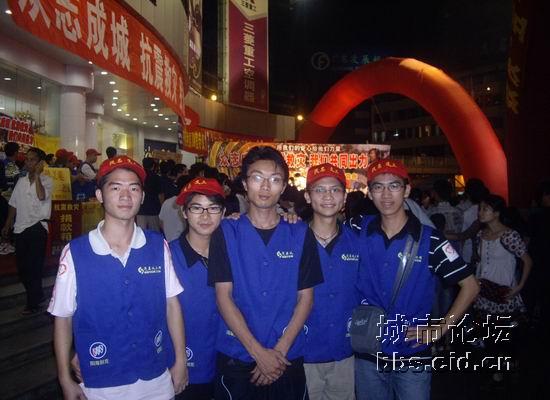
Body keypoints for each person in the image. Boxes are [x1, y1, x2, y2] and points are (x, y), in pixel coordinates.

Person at [48, 155, 188, 400]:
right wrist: (64, 378)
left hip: (156, 378)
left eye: (134, 188)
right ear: (100, 195)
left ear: (142, 197)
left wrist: (181, 361)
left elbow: (172, 305)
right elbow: (63, 317)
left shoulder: (157, 246)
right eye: (115, 188)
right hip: (101, 382)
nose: (126, 196)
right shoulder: (76, 253)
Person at [353, 159, 479, 400]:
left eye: (394, 185)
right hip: (368, 352)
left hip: (411, 354)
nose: (386, 194)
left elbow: (470, 286)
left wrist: (439, 329)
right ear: (369, 192)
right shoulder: (358, 228)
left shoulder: (430, 240)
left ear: (407, 190)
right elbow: (322, 229)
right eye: (378, 186)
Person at [208, 146, 323, 399]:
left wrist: (277, 354)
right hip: (238, 357)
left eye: (274, 179)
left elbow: (306, 298)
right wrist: (259, 354)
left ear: (283, 187)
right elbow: (223, 296)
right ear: (245, 184)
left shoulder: (300, 233)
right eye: (257, 177)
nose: (265, 186)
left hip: (286, 358)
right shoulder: (226, 232)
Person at [302, 164, 360, 400]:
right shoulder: (292, 239)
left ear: (344, 197)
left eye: (335, 190)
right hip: (302, 352)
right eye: (319, 190)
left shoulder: (358, 241)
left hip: (344, 352)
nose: (328, 196)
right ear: (307, 196)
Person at [168, 178, 226, 400]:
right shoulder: (168, 256)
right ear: (184, 212)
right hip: (182, 366)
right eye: (196, 208)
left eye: (213, 208)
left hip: (227, 364)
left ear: (223, 213)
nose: (205, 216)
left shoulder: (233, 253)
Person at [2, 147, 52, 315]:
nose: (28, 162)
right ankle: (38, 296)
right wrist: (7, 223)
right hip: (20, 228)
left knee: (34, 267)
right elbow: (13, 204)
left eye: (32, 160)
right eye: (27, 159)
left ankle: (32, 304)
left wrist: (37, 175)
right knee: (22, 268)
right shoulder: (21, 181)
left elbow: (41, 196)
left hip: (37, 227)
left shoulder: (46, 181)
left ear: (40, 163)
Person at [137, 157, 164, 231]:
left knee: (141, 232)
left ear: (143, 165)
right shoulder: (156, 177)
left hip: (141, 209)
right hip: (153, 209)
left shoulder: (139, 176)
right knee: (154, 231)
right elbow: (160, 194)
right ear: (153, 166)